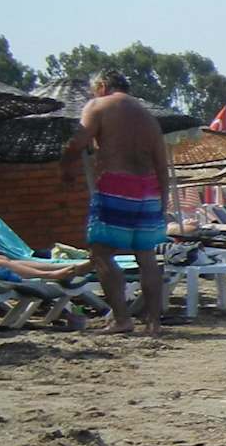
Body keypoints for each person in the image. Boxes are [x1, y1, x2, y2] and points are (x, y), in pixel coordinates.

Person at [59, 71, 170, 335]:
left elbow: (77, 142)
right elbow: (161, 165)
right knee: (147, 257)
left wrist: (66, 167)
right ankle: (153, 323)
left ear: (101, 86)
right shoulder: (148, 117)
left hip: (116, 186)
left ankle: (122, 319)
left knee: (100, 253)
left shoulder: (98, 105)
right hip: (148, 190)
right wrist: (163, 202)